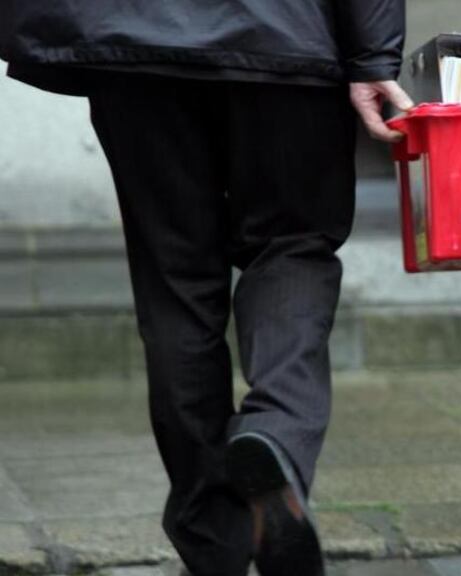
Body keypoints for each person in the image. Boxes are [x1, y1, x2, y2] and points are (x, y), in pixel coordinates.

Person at [0, 1, 414, 574]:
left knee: (176, 285)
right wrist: (372, 55)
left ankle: (214, 545)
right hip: (288, 39)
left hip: (134, 42)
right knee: (291, 248)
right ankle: (278, 432)